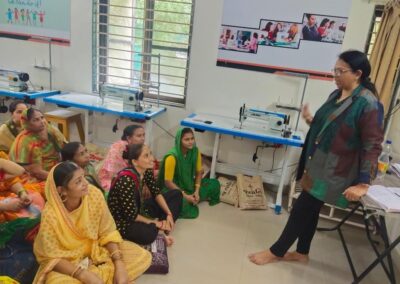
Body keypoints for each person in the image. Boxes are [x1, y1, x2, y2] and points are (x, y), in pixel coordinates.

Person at [249, 50, 384, 265]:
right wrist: (311, 120)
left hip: (336, 169)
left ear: (358, 73)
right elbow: (331, 127)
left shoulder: (369, 104)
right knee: (311, 211)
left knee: (302, 207)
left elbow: (372, 145)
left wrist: (363, 183)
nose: (335, 75)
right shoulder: (336, 94)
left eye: (341, 71)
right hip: (317, 163)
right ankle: (302, 253)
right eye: (335, 70)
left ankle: (277, 251)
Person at [33, 161, 151, 283]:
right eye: (78, 181)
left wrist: (119, 263)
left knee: (142, 256)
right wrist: (82, 274)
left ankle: (103, 275)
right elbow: (52, 257)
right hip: (68, 262)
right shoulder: (51, 214)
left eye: (83, 177)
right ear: (62, 190)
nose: (85, 183)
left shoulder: (94, 194)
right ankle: (102, 276)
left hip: (96, 249)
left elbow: (107, 231)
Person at [108, 144, 182, 246]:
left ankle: (164, 223)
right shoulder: (126, 180)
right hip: (124, 220)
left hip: (140, 208)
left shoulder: (146, 170)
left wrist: (169, 213)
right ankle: (160, 228)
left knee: (176, 194)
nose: (152, 158)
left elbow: (155, 192)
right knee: (147, 234)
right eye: (146, 156)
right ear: (135, 162)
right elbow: (131, 216)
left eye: (150, 154)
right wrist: (155, 223)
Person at [159, 128, 220, 219]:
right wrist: (185, 196)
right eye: (186, 139)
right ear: (179, 140)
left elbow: (199, 172)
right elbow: (168, 182)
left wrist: (197, 191)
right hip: (174, 189)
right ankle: (190, 200)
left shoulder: (195, 151)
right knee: (183, 206)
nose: (190, 142)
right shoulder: (172, 157)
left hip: (190, 184)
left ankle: (194, 198)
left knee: (215, 183)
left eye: (192, 138)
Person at [9, 108, 66, 185]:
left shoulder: (49, 129)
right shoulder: (26, 142)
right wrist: (59, 179)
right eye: (35, 120)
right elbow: (37, 172)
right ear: (27, 123)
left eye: (42, 117)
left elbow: (64, 146)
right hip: (36, 176)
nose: (42, 122)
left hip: (55, 167)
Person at [98, 124, 145, 191]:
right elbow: (112, 174)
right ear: (128, 138)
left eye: (143, 135)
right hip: (112, 179)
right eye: (139, 136)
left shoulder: (140, 148)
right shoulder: (117, 147)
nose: (143, 138)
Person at [0, 157, 44, 224]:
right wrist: (6, 206)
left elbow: (14, 177)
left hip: (7, 199)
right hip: (4, 207)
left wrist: (21, 193)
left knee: (35, 197)